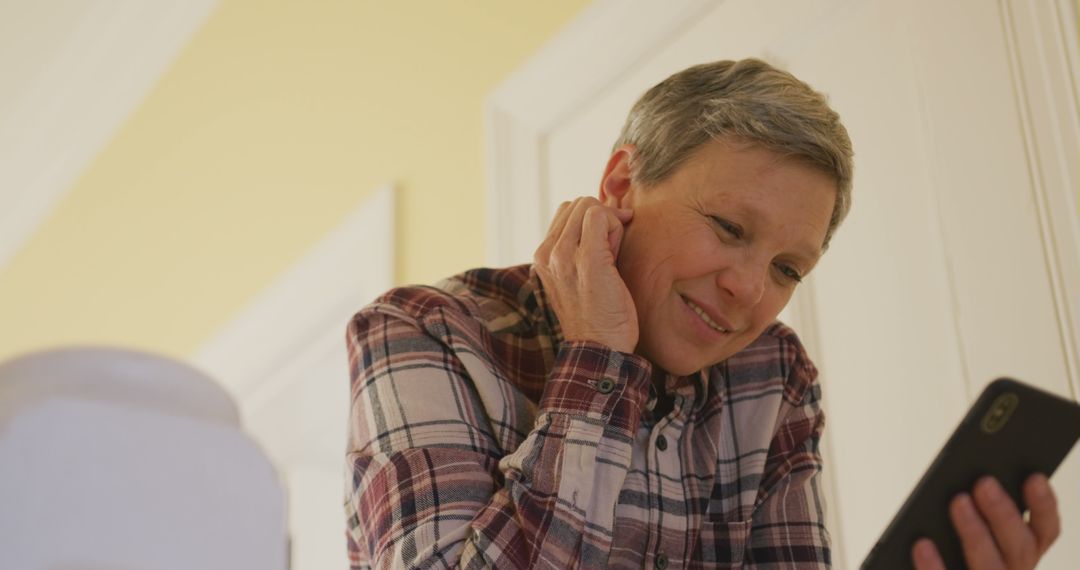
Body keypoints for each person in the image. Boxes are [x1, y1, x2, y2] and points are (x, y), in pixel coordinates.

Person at [343, 59, 1060, 569]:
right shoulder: (426, 331)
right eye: (728, 227)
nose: (750, 289)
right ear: (623, 184)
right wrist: (600, 358)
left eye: (787, 269)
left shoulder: (770, 376)